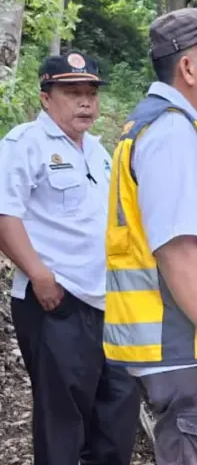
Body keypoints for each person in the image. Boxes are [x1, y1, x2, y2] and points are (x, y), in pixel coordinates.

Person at [102, 8, 197, 464]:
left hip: (177, 347)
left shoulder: (153, 127)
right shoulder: (172, 132)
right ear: (188, 67)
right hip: (191, 352)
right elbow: (177, 253)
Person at [0, 52, 140, 465]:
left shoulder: (99, 152)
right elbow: (6, 215)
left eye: (91, 93)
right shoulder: (25, 144)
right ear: (46, 98)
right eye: (72, 92)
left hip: (109, 301)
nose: (85, 102)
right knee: (62, 418)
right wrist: (40, 275)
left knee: (118, 407)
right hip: (56, 302)